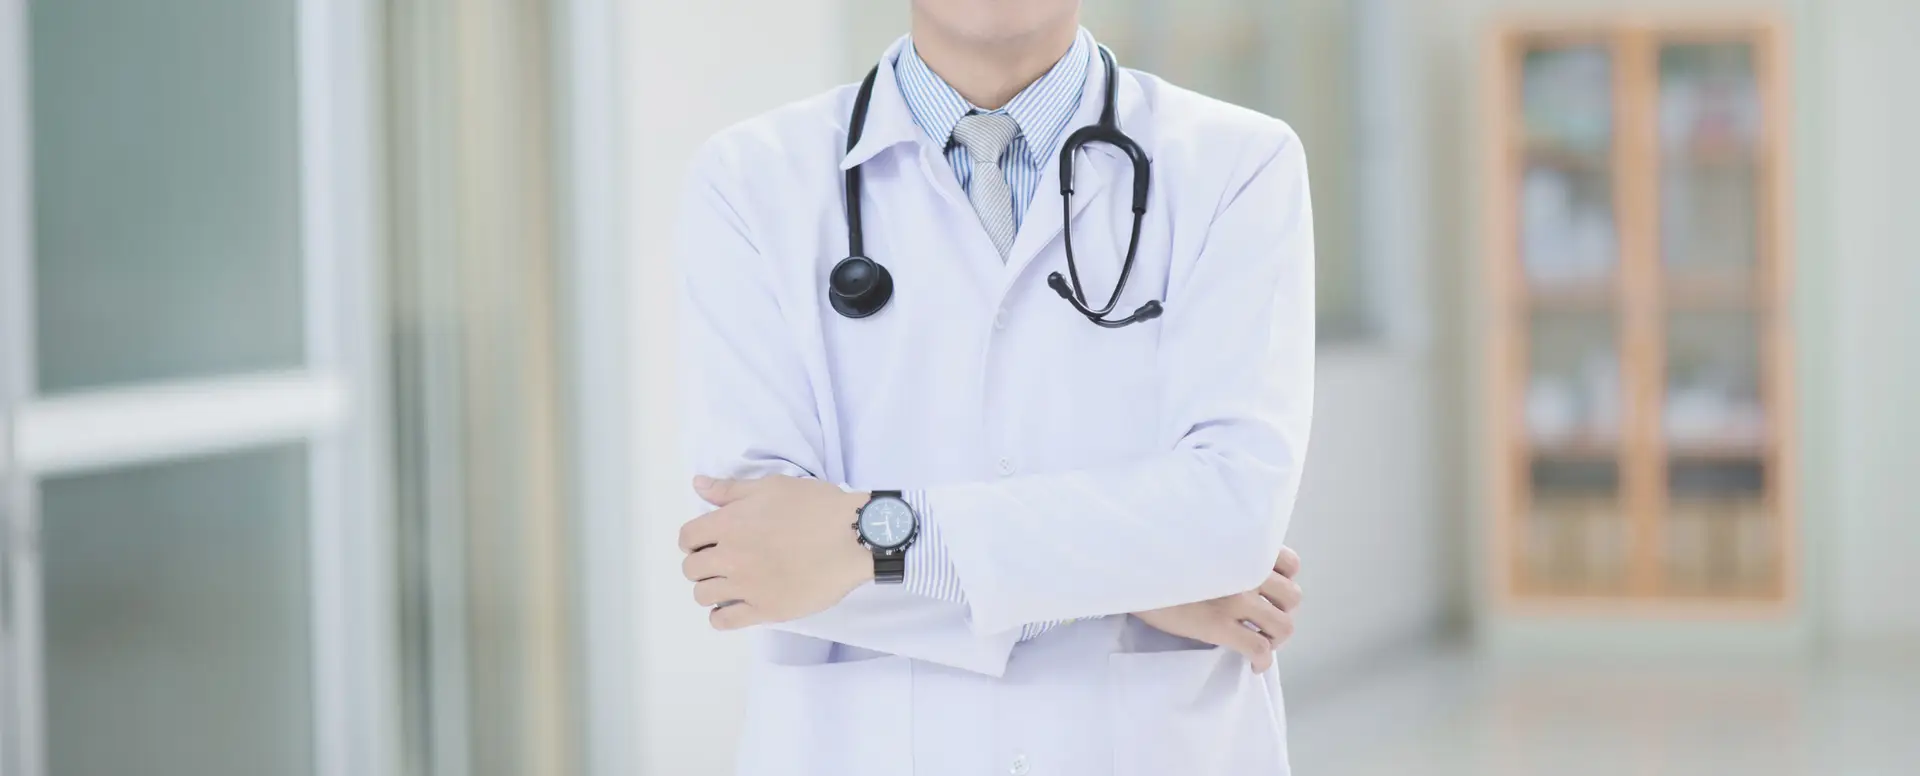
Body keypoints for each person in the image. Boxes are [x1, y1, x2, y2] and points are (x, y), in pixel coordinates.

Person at [674, 1, 1314, 773]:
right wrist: (1141, 579)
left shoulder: (1236, 163)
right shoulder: (750, 180)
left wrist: (870, 540)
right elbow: (759, 556)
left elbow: (1230, 519)